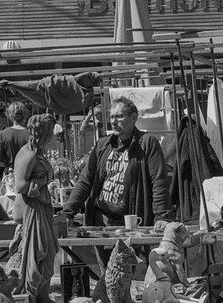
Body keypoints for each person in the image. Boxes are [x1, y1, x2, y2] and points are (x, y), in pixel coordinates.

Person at [62, 97, 170, 227]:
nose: (113, 122)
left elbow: (158, 182)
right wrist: (68, 212)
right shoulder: (103, 145)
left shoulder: (147, 143)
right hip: (101, 221)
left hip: (131, 222)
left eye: (119, 116)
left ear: (134, 117)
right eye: (111, 117)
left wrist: (162, 217)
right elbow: (85, 180)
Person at [13, 113, 63, 303]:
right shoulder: (29, 154)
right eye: (49, 131)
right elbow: (19, 185)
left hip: (43, 208)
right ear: (41, 132)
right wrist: (42, 182)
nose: (52, 134)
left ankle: (43, 295)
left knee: (49, 251)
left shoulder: (39, 152)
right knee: (37, 252)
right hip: (32, 210)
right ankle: (29, 298)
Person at [0, 101, 31, 179]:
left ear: (9, 115)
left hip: (10, 175)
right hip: (27, 175)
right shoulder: (30, 134)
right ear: (25, 115)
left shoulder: (3, 134)